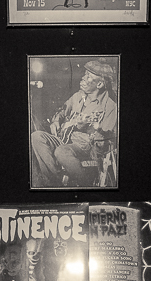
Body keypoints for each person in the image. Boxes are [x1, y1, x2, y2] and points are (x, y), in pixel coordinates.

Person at [31, 58, 117, 187]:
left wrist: (93, 130)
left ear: (99, 84)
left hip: (85, 148)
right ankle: (54, 184)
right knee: (36, 136)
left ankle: (85, 185)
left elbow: (106, 142)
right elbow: (62, 111)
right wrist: (56, 121)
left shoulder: (110, 107)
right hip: (64, 140)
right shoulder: (78, 96)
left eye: (88, 76)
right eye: (84, 74)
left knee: (61, 151)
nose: (83, 78)